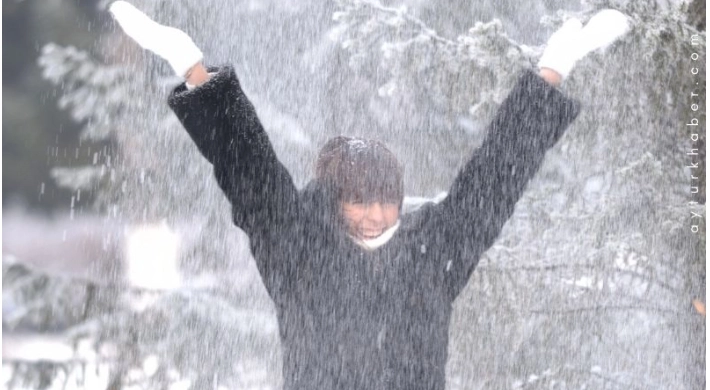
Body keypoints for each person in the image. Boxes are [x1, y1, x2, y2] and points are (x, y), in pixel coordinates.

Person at [109, 2, 630, 389]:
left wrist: (552, 71)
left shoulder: (435, 250)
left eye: (387, 200)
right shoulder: (297, 250)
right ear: (335, 200)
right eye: (361, 200)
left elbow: (495, 179)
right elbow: (250, 173)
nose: (378, 215)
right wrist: (193, 68)